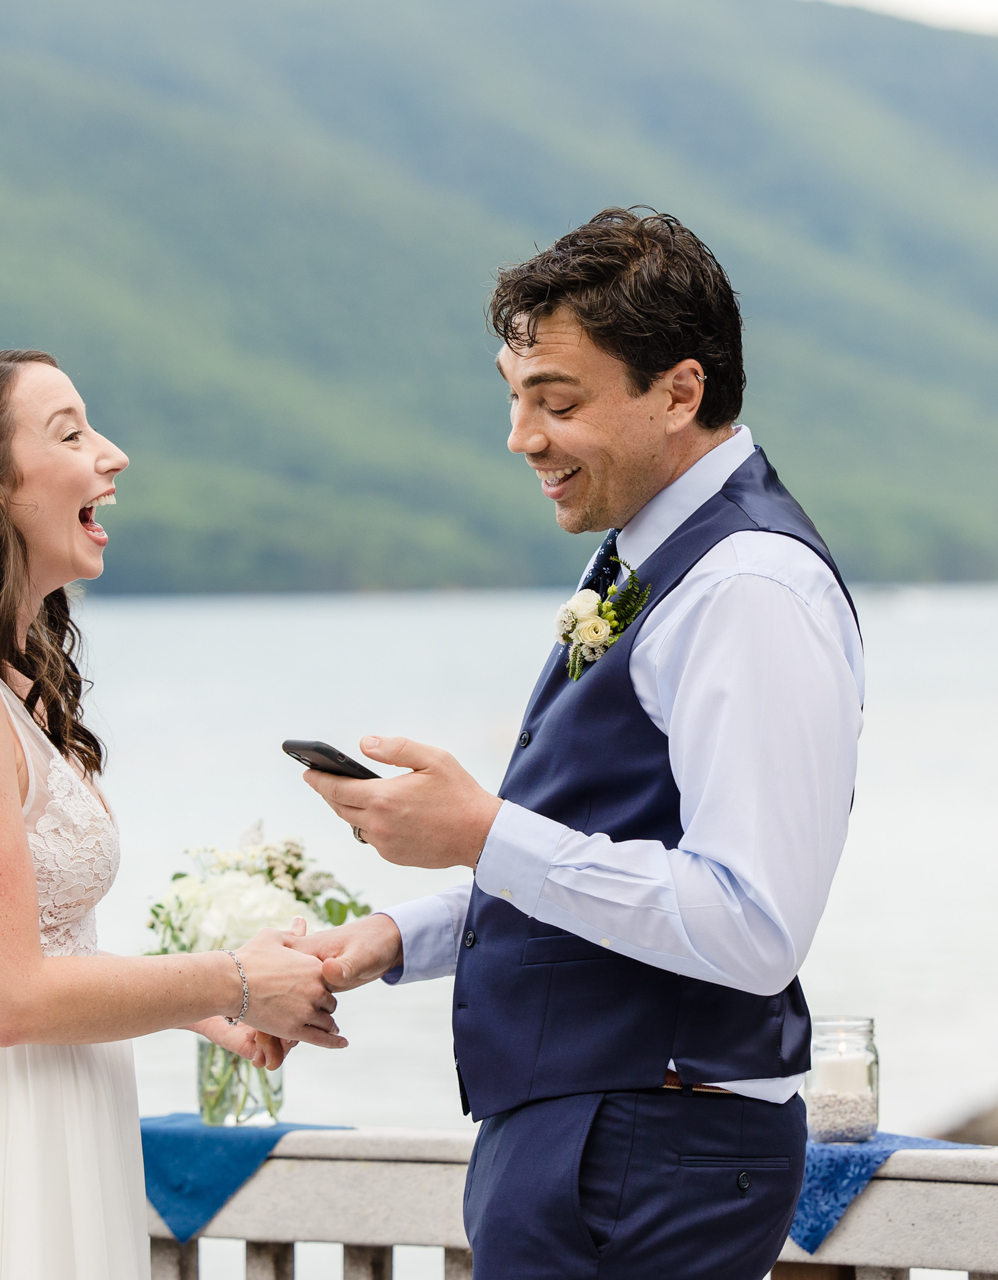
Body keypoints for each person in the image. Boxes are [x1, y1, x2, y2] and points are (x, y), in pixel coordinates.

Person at [296, 210, 864, 1279]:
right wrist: (398, 935)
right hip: (603, 1137)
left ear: (680, 392)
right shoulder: (653, 555)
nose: (523, 436)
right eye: (515, 399)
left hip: (650, 1148)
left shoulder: (748, 587)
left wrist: (482, 831)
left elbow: (750, 925)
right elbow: (615, 850)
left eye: (556, 402)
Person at [0, 350, 343, 1278]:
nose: (114, 454)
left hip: (60, 1101)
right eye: (71, 433)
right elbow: (9, 998)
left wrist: (219, 1013)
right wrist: (231, 978)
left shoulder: (10, 682)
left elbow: (54, 953)